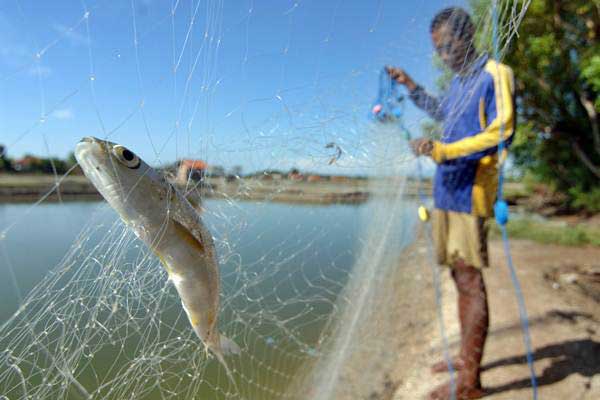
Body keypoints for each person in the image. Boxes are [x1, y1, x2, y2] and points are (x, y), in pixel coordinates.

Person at [387, 7, 515, 400]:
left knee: (471, 281)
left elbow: (502, 131)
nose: (443, 55)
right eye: (437, 50)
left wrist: (442, 150)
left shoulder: (496, 74)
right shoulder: (459, 83)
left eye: (447, 46)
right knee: (459, 278)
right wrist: (410, 85)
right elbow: (442, 111)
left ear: (467, 36)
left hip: (470, 194)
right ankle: (464, 357)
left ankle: (470, 381)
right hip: (445, 193)